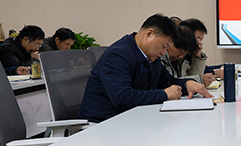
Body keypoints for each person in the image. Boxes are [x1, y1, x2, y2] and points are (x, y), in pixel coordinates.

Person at [78, 14, 212, 123]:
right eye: (164, 46)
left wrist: (187, 84)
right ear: (149, 34)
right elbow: (123, 98)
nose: (164, 53)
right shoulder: (118, 55)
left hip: (129, 119)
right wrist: (164, 95)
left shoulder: (151, 57)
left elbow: (167, 81)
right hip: (102, 124)